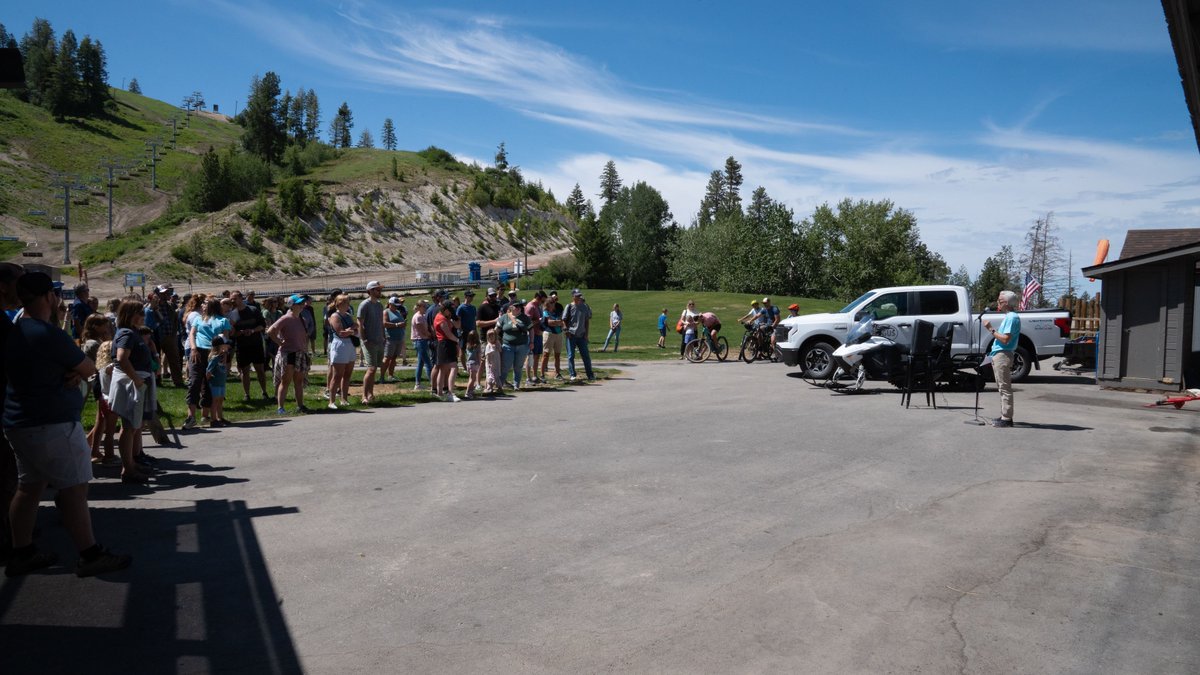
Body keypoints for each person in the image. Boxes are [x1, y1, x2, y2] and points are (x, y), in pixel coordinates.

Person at [4, 272, 131, 577]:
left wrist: (74, 370)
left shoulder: (15, 331)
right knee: (74, 489)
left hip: (21, 422)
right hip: (52, 423)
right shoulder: (47, 334)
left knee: (29, 488)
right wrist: (78, 371)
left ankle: (22, 552)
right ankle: (90, 555)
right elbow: (88, 368)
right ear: (50, 296)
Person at [110, 299, 158, 484]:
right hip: (132, 384)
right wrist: (137, 380)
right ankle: (128, 469)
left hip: (136, 382)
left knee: (132, 426)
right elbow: (122, 358)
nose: (143, 316)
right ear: (130, 314)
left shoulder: (132, 332)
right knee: (129, 427)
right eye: (140, 313)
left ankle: (130, 463)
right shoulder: (127, 333)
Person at [184, 298, 230, 429]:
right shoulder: (198, 319)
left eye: (204, 303)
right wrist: (193, 349)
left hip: (214, 353)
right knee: (194, 382)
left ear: (211, 306)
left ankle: (208, 416)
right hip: (198, 352)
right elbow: (192, 334)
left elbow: (225, 339)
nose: (202, 305)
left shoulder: (223, 321)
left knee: (210, 383)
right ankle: (191, 417)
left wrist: (223, 356)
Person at [266, 294, 312, 414]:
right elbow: (271, 331)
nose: (302, 305)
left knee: (299, 381)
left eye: (302, 303)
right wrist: (279, 342)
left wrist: (306, 352)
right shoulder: (286, 318)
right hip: (288, 353)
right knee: (285, 381)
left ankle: (300, 406)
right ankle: (280, 407)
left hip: (300, 353)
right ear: (292, 305)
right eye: (299, 303)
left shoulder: (302, 319)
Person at [983, 290, 1021, 428]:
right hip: (1000, 354)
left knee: (1004, 386)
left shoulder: (1012, 317)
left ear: (1005, 303)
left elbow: (1005, 339)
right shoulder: (1010, 317)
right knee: (1002, 386)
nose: (998, 302)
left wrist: (991, 329)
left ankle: (1007, 418)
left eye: (999, 300)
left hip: (1003, 354)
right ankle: (1005, 415)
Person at [228, 290, 271, 401]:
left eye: (235, 298)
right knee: (244, 371)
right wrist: (241, 332)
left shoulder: (253, 310)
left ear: (241, 298)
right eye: (231, 299)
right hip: (242, 346)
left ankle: (264, 392)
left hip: (256, 344)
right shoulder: (232, 314)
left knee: (260, 370)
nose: (233, 301)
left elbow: (262, 325)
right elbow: (232, 333)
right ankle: (247, 395)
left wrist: (252, 330)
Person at [326, 294, 357, 408]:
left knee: (347, 374)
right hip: (339, 345)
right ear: (339, 304)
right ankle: (332, 401)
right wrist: (351, 330)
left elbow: (356, 325)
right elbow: (341, 332)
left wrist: (350, 330)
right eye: (346, 302)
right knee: (337, 375)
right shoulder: (335, 316)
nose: (348, 304)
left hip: (349, 344)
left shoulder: (348, 315)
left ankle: (344, 399)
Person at [357, 281, 385, 403]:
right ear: (370, 291)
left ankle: (370, 394)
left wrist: (383, 337)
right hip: (369, 341)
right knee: (371, 368)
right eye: (377, 289)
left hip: (379, 340)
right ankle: (363, 396)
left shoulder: (379, 305)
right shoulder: (364, 305)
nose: (379, 291)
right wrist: (365, 340)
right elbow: (360, 324)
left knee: (375, 369)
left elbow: (380, 323)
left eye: (380, 289)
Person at [497, 299, 531, 389]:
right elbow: (497, 330)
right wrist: (495, 341)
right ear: (511, 307)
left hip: (522, 345)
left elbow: (531, 329)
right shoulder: (504, 317)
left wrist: (532, 342)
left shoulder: (525, 318)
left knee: (518, 367)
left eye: (519, 306)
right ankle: (500, 384)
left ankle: (516, 385)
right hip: (508, 345)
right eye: (516, 306)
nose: (518, 308)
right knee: (505, 366)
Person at [562, 289, 594, 381]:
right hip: (571, 335)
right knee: (571, 355)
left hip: (582, 335)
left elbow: (587, 321)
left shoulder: (585, 306)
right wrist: (566, 331)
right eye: (577, 296)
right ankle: (572, 374)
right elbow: (563, 320)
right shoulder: (569, 306)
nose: (579, 297)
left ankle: (590, 374)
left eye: (579, 295)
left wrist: (586, 334)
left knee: (586, 356)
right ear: (573, 297)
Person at [433, 300, 461, 401]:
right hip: (445, 344)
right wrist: (458, 340)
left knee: (443, 369)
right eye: (450, 310)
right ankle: (450, 393)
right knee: (453, 367)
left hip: (446, 344)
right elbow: (448, 334)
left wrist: (455, 317)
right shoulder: (440, 319)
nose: (451, 312)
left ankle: (440, 393)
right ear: (445, 309)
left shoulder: (446, 318)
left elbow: (457, 325)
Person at [206, 335, 231, 427]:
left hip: (221, 383)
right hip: (215, 383)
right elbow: (208, 371)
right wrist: (206, 382)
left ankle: (220, 417)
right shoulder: (214, 358)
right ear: (219, 346)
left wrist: (224, 354)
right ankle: (213, 419)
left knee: (220, 401)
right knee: (214, 401)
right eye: (223, 345)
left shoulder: (222, 356)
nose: (226, 346)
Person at [382, 295, 408, 381]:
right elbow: (385, 324)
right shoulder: (386, 312)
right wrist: (397, 325)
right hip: (390, 338)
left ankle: (390, 376)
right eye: (394, 305)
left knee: (394, 358)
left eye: (397, 305)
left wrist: (403, 324)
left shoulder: (397, 312)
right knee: (387, 357)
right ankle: (382, 377)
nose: (396, 307)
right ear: (390, 304)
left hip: (399, 338)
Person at [540, 291, 565, 380]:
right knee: (546, 354)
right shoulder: (545, 312)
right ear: (547, 303)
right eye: (551, 302)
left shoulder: (558, 311)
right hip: (549, 334)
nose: (553, 304)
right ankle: (542, 374)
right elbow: (549, 322)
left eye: (553, 302)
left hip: (558, 334)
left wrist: (557, 322)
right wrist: (558, 322)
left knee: (557, 355)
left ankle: (557, 373)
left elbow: (562, 322)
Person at [410, 299, 432, 391]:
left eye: (426, 306)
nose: (425, 308)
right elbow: (422, 330)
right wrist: (430, 335)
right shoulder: (418, 317)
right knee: (428, 363)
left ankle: (417, 384)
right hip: (420, 341)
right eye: (423, 306)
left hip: (422, 340)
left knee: (420, 363)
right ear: (419, 307)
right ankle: (433, 383)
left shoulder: (422, 316)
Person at [524, 291, 545, 383]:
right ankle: (528, 378)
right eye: (542, 300)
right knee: (530, 356)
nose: (542, 302)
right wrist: (538, 320)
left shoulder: (538, 306)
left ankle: (535, 376)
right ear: (538, 298)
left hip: (539, 334)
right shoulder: (530, 307)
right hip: (532, 335)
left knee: (536, 356)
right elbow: (526, 324)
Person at [456, 290, 477, 372]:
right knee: (462, 349)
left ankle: (471, 365)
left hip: (472, 331)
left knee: (472, 348)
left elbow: (474, 320)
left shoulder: (473, 307)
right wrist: (460, 330)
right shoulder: (461, 308)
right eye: (470, 296)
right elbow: (458, 320)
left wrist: (475, 330)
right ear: (466, 297)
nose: (471, 298)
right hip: (464, 331)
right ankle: (465, 367)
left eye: (472, 296)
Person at [462, 330, 481, 399]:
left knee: (471, 378)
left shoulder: (468, 345)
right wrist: (479, 362)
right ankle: (467, 392)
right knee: (472, 379)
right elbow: (479, 354)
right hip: (475, 363)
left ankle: (471, 392)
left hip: (469, 363)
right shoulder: (477, 345)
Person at [483, 329, 501, 393]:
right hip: (490, 364)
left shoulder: (497, 343)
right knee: (490, 375)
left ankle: (499, 387)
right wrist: (489, 363)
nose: (491, 338)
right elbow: (487, 355)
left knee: (497, 375)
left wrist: (497, 345)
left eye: (492, 336)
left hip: (497, 362)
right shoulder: (488, 346)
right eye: (489, 336)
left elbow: (500, 350)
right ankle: (489, 387)